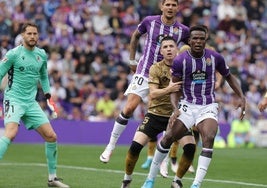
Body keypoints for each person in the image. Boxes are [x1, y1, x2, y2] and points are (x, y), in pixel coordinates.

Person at [141, 25, 246, 188]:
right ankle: (150, 179)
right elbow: (175, 88)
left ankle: (196, 184)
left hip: (207, 106)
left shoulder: (215, 57)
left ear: (205, 40)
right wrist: (175, 108)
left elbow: (229, 76)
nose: (198, 41)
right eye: (194, 38)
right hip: (187, 106)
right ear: (189, 41)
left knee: (209, 138)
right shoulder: (180, 60)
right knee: (168, 137)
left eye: (201, 38)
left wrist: (241, 96)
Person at [100, 0, 190, 163]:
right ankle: (110, 146)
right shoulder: (150, 21)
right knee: (129, 107)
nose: (170, 7)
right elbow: (135, 36)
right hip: (145, 70)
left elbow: (191, 49)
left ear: (177, 8)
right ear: (161, 6)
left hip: (166, 75)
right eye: (167, 4)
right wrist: (132, 60)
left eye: (173, 5)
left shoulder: (183, 30)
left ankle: (162, 160)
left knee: (168, 114)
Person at [0, 22, 69, 188]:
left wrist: (48, 95)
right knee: (11, 133)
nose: (32, 37)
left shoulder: (41, 55)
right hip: (13, 99)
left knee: (51, 136)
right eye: (29, 34)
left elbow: (44, 76)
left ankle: (52, 179)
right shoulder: (13, 54)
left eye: (35, 34)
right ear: (23, 36)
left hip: (30, 102)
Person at [121, 36, 195, 188]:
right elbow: (153, 94)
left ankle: (177, 181)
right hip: (156, 114)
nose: (168, 49)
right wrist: (169, 89)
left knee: (190, 148)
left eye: (171, 46)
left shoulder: (187, 67)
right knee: (135, 146)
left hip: (179, 116)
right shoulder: (155, 68)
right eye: (165, 47)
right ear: (161, 51)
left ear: (177, 49)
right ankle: (127, 180)